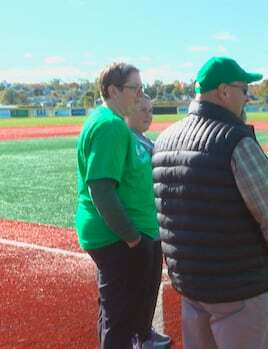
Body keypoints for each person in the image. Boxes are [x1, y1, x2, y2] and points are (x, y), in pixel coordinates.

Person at [151, 56, 268, 349]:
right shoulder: (235, 139)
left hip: (191, 282)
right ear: (224, 91)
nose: (247, 97)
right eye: (244, 89)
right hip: (238, 284)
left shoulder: (164, 140)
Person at [75, 62, 160, 349]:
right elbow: (100, 188)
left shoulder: (103, 120)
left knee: (114, 311)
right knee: (121, 317)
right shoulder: (111, 125)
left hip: (111, 234)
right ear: (113, 90)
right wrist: (132, 237)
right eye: (134, 89)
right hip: (115, 237)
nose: (139, 95)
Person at [124, 95, 172, 349]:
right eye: (141, 108)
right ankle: (135, 336)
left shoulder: (146, 140)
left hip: (154, 226)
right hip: (138, 228)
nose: (148, 114)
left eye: (150, 110)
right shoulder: (124, 139)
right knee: (137, 287)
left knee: (151, 283)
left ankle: (144, 332)